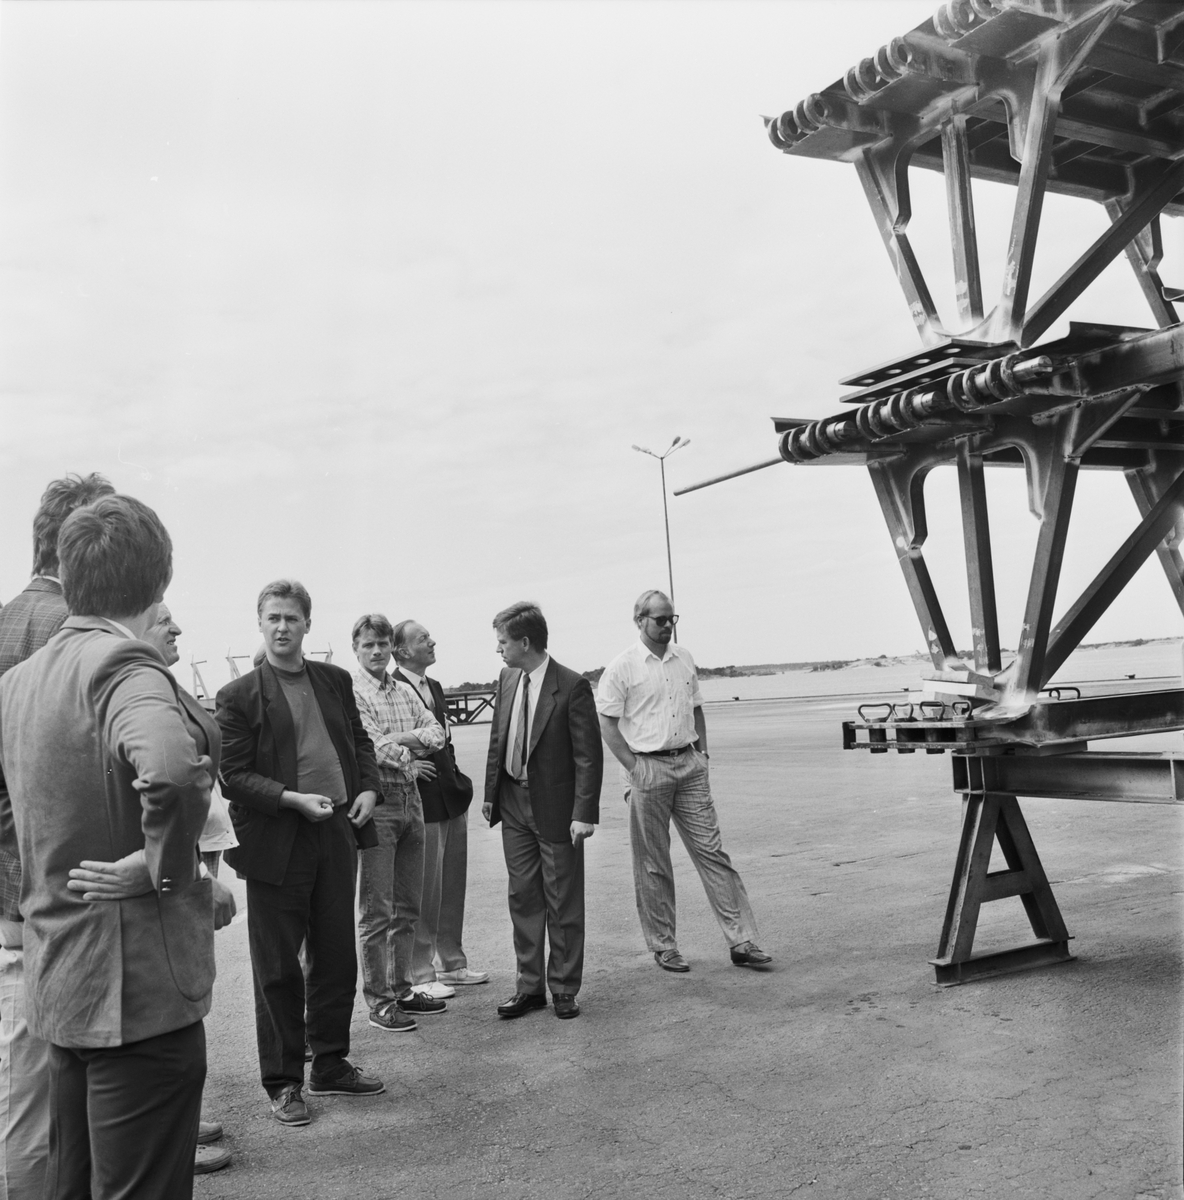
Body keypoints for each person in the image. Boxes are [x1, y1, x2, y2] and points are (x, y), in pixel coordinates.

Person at [0, 493, 234, 1199]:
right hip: (138, 990)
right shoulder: (123, 665)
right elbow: (171, 769)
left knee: (74, 1184)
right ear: (158, 576)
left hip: (60, 977)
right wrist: (164, 868)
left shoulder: (17, 684)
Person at [216, 580, 385, 1128]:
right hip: (277, 842)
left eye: (292, 617)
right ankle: (284, 1081)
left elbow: (359, 741)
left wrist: (368, 788)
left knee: (336, 955)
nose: (283, 627)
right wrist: (290, 799)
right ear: (260, 623)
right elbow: (232, 776)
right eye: (273, 618)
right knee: (278, 967)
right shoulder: (239, 695)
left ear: (308, 623)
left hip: (336, 831)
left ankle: (330, 1063)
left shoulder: (334, 680)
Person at [0, 470, 113, 1200]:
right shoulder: (76, 634)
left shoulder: (5, 619)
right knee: (44, 1075)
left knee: (29, 1068)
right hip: (64, 891)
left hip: (16, 892)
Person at [596, 590, 771, 973]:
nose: (667, 626)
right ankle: (664, 946)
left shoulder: (684, 658)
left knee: (713, 854)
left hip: (689, 765)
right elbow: (607, 723)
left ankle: (742, 940)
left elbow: (696, 708)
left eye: (672, 619)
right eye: (660, 620)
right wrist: (635, 767)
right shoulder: (622, 667)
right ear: (640, 620)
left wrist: (703, 755)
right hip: (647, 768)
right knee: (653, 863)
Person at [142, 604, 235, 1176]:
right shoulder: (140, 694)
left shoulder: (164, 685)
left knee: (187, 995)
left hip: (197, 851)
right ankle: (171, 1137)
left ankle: (181, 1116)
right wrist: (197, 875)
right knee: (167, 997)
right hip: (175, 865)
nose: (177, 629)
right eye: (163, 621)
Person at [482, 603, 602, 1020]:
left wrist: (583, 813)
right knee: (523, 897)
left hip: (555, 808)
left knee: (561, 900)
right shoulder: (507, 679)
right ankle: (529, 988)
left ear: (525, 642)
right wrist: (491, 793)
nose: (498, 649)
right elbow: (498, 738)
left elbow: (588, 756)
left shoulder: (571, 686)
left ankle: (564, 988)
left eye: (503, 641)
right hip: (512, 803)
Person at [349, 614, 447, 1027]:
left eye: (383, 644)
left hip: (412, 799)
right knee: (377, 910)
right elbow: (371, 746)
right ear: (356, 648)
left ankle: (402, 988)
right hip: (380, 803)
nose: (377, 651)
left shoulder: (404, 690)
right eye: (368, 645)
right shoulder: (353, 693)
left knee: (408, 904)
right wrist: (411, 748)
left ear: (392, 647)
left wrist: (400, 742)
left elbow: (438, 732)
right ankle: (379, 1001)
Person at [392, 619, 488, 992]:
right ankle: (421, 972)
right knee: (424, 890)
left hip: (450, 796)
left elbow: (443, 739)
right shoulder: (390, 688)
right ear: (402, 651)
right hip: (421, 800)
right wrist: (409, 765)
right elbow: (376, 740)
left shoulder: (432, 686)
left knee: (451, 885)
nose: (432, 642)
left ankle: (452, 961)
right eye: (423, 639)